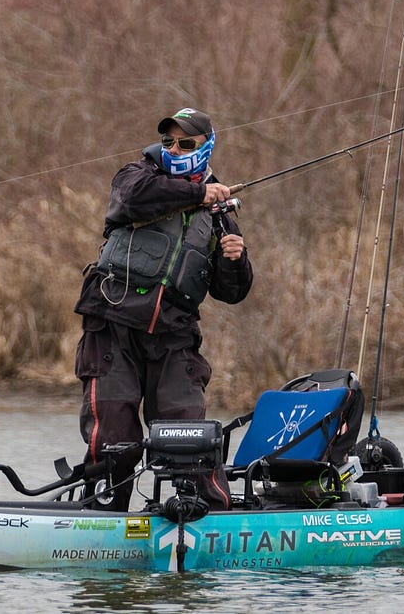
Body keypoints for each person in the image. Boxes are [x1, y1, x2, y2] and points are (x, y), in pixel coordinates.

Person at [73, 107, 253, 512]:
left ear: (206, 147)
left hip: (173, 336)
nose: (173, 148)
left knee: (188, 434)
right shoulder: (137, 176)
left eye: (185, 143)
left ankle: (207, 513)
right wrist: (198, 194)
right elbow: (135, 200)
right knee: (116, 438)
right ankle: (104, 514)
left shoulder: (222, 213)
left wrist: (233, 260)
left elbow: (232, 291)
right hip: (113, 325)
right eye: (169, 141)